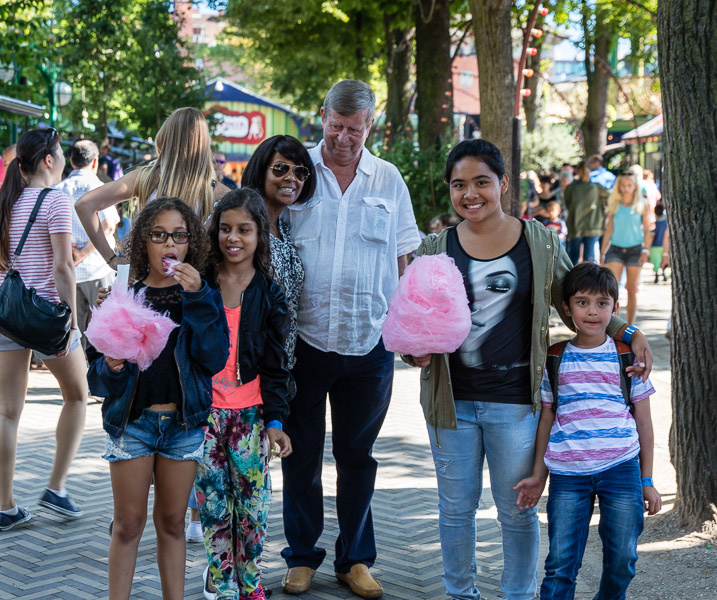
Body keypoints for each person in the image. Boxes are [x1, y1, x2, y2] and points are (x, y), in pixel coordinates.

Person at [403, 139, 653, 600]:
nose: (470, 193)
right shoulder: (435, 249)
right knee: (455, 509)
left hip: (517, 402)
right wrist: (413, 352)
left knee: (516, 509)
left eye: (481, 181)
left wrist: (626, 330)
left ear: (502, 183)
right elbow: (415, 322)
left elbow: (572, 296)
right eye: (459, 185)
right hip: (450, 401)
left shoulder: (537, 240)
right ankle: (461, 594)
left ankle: (517, 595)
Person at [280, 79, 420, 599]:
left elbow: (404, 260)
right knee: (301, 454)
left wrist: (412, 331)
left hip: (370, 345)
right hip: (304, 342)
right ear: (322, 116)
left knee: (358, 457)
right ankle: (301, 557)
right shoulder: (295, 173)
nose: (343, 138)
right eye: (335, 127)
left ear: (370, 126)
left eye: (354, 130)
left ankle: (355, 558)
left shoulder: (388, 179)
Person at [86, 197, 229, 600]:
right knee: (128, 524)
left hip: (183, 428)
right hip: (134, 424)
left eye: (179, 236)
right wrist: (111, 367)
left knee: (172, 523)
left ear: (191, 243)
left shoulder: (201, 294)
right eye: (159, 234)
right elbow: (96, 377)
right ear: (143, 241)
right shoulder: (121, 296)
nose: (170, 244)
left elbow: (214, 358)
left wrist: (199, 296)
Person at [515, 262, 661, 599]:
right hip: (568, 474)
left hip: (621, 468)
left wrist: (647, 480)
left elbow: (645, 423)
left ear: (615, 308)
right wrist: (539, 475)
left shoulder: (628, 357)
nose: (592, 312)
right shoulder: (555, 356)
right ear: (566, 309)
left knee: (623, 558)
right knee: (561, 563)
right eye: (582, 303)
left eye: (601, 303)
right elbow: (547, 419)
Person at [197, 189, 294, 600]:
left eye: (244, 229)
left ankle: (250, 584)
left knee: (252, 510)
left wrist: (275, 422)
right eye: (224, 229)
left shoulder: (269, 293)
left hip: (250, 418)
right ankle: (220, 587)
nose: (232, 238)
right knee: (213, 508)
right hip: (204, 417)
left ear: (260, 234)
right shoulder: (199, 284)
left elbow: (277, 366)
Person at [0, 128, 88, 531]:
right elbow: (63, 266)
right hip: (47, 317)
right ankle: (56, 486)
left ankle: (5, 506)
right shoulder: (56, 200)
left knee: (7, 413)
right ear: (49, 160)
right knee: (77, 395)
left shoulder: (8, 200)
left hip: (8, 313)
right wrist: (72, 319)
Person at [76, 107, 231, 269]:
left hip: (147, 281)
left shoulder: (145, 178)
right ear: (204, 144)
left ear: (166, 138)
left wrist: (112, 259)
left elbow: (85, 204)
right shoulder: (218, 193)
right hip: (194, 284)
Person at [240, 134, 316, 367]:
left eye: (299, 172)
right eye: (280, 168)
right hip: (246, 363)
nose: (291, 178)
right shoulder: (241, 219)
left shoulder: (284, 227)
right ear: (261, 171)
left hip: (281, 364)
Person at [54, 140, 119, 349]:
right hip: (98, 269)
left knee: (72, 335)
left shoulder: (57, 190)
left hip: (67, 273)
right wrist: (84, 252)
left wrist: (76, 254)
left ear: (71, 161)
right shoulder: (101, 188)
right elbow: (109, 224)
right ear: (95, 162)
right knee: (101, 332)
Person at [600, 173, 651, 325]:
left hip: (635, 250)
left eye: (629, 185)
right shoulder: (614, 204)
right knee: (613, 289)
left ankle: (630, 325)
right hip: (616, 249)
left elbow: (648, 230)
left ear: (635, 186)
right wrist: (603, 252)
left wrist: (646, 250)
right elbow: (609, 229)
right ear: (619, 186)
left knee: (631, 289)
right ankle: (616, 324)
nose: (626, 188)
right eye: (623, 185)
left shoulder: (642, 204)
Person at [564, 161, 605, 264]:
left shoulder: (571, 188)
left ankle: (572, 278)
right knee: (589, 256)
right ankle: (589, 278)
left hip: (575, 224)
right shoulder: (596, 187)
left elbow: (567, 204)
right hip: (593, 224)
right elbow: (607, 199)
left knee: (573, 256)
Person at [648, 203, 670, 284]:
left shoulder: (654, 223)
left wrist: (647, 247)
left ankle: (657, 275)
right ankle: (664, 274)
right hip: (664, 246)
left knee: (656, 261)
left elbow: (651, 236)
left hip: (654, 246)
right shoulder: (666, 223)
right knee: (663, 259)